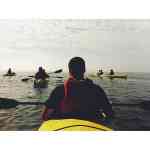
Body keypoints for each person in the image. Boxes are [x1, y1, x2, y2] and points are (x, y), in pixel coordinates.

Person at [42, 57, 114, 122]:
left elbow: (45, 116)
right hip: (91, 127)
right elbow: (110, 114)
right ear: (84, 70)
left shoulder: (59, 90)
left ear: (69, 71)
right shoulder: (97, 89)